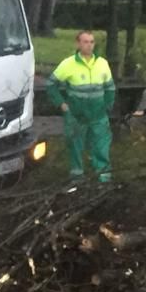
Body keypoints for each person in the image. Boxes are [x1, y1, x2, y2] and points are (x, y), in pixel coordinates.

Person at [46, 31, 116, 182]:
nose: (89, 45)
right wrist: (62, 104)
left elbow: (110, 88)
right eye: (85, 42)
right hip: (76, 116)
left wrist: (107, 106)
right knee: (75, 147)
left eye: (91, 42)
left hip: (98, 115)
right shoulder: (68, 64)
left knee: (101, 146)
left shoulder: (102, 63)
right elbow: (51, 84)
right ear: (78, 44)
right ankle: (77, 179)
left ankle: (103, 177)